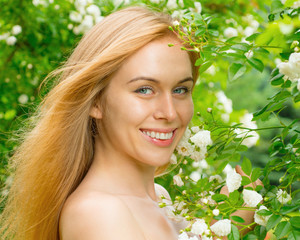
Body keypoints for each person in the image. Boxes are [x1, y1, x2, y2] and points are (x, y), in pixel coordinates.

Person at [0, 6, 199, 240]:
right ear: (95, 101)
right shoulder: (97, 212)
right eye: (144, 90)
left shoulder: (160, 198)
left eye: (180, 89)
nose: (170, 112)